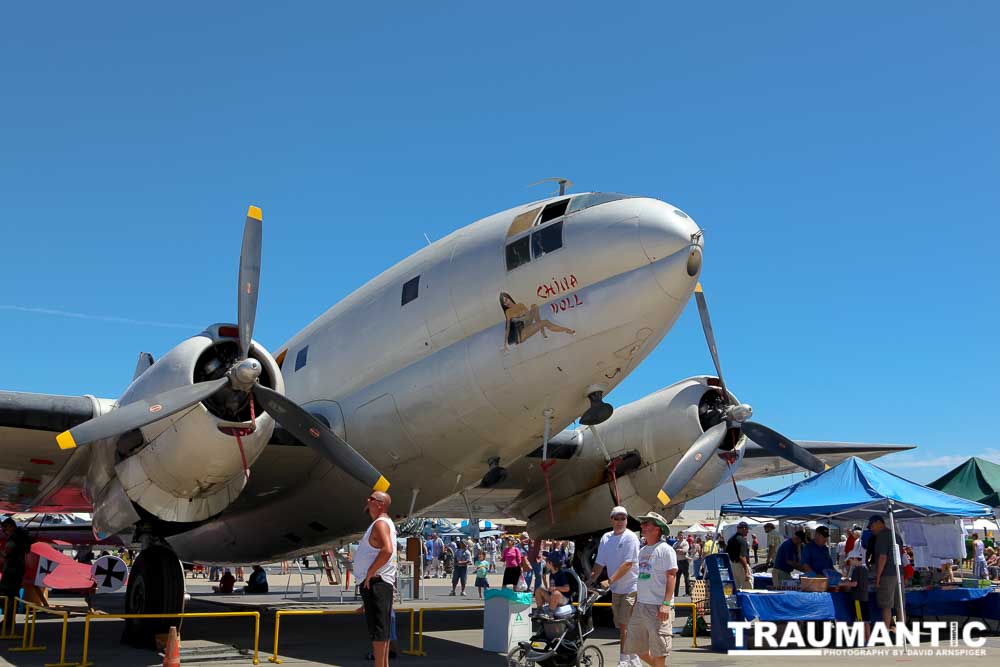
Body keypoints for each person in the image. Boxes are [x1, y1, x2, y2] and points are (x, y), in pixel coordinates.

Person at [588, 506, 641, 667]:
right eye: (616, 518)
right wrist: (590, 580)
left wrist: (609, 581)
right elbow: (599, 563)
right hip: (616, 589)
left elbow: (628, 564)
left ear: (627, 520)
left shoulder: (631, 537)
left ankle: (624, 659)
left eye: (623, 518)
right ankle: (634, 657)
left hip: (631, 587)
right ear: (611, 520)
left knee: (624, 624)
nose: (620, 522)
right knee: (621, 624)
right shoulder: (606, 538)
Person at [625, 512, 677, 667]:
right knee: (637, 648)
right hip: (641, 605)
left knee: (659, 652)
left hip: (658, 606)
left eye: (646, 524)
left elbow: (671, 576)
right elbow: (641, 578)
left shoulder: (666, 550)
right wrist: (636, 601)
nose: (642, 526)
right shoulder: (643, 551)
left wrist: (666, 604)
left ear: (657, 529)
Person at [354, 491, 397, 667]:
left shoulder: (380, 524)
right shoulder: (385, 523)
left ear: (380, 504)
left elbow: (387, 550)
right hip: (377, 584)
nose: (367, 500)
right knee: (382, 630)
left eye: (371, 499)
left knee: (378, 631)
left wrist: (370, 573)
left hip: (376, 583)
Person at [500, 292, 574, 351]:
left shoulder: (520, 305)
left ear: (509, 298)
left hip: (525, 326)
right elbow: (508, 328)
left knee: (534, 306)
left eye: (506, 300)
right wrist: (505, 345)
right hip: (520, 335)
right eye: (504, 303)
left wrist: (520, 318)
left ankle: (543, 332)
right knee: (545, 322)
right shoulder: (508, 312)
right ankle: (566, 330)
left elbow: (528, 317)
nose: (507, 303)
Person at [869, 514, 901, 632]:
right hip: (898, 573)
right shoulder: (896, 535)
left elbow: (882, 557)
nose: (871, 529)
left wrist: (878, 577)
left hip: (887, 575)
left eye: (872, 526)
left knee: (886, 605)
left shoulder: (882, 536)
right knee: (899, 605)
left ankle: (886, 629)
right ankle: (901, 629)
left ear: (879, 523)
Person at [0, 518, 31, 634]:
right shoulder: (21, 538)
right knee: (11, 596)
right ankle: (9, 620)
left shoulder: (15, 539)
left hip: (12, 571)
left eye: (5, 529)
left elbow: (7, 553)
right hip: (16, 571)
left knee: (6, 596)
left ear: (11, 527)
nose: (4, 531)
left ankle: (8, 621)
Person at [843, 543, 871, 642]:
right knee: (866, 620)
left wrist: (844, 584)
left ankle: (862, 639)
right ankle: (868, 639)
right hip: (865, 597)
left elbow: (854, 584)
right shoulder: (865, 568)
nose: (849, 563)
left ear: (855, 559)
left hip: (858, 598)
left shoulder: (856, 570)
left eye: (850, 560)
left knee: (859, 619)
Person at [725, 522, 752, 590]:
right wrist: (746, 571)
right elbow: (742, 556)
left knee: (737, 588)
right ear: (744, 528)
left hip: (733, 565)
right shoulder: (741, 540)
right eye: (747, 529)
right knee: (748, 588)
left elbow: (727, 552)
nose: (748, 532)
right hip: (741, 566)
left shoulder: (731, 539)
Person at [673, 530, 691, 596]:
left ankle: (687, 592)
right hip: (677, 562)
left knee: (686, 578)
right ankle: (675, 593)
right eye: (679, 535)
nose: (680, 536)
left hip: (684, 561)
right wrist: (678, 550)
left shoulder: (685, 543)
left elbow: (684, 551)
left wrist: (677, 550)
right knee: (676, 578)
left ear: (683, 536)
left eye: (681, 535)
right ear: (677, 536)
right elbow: (672, 551)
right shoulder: (675, 543)